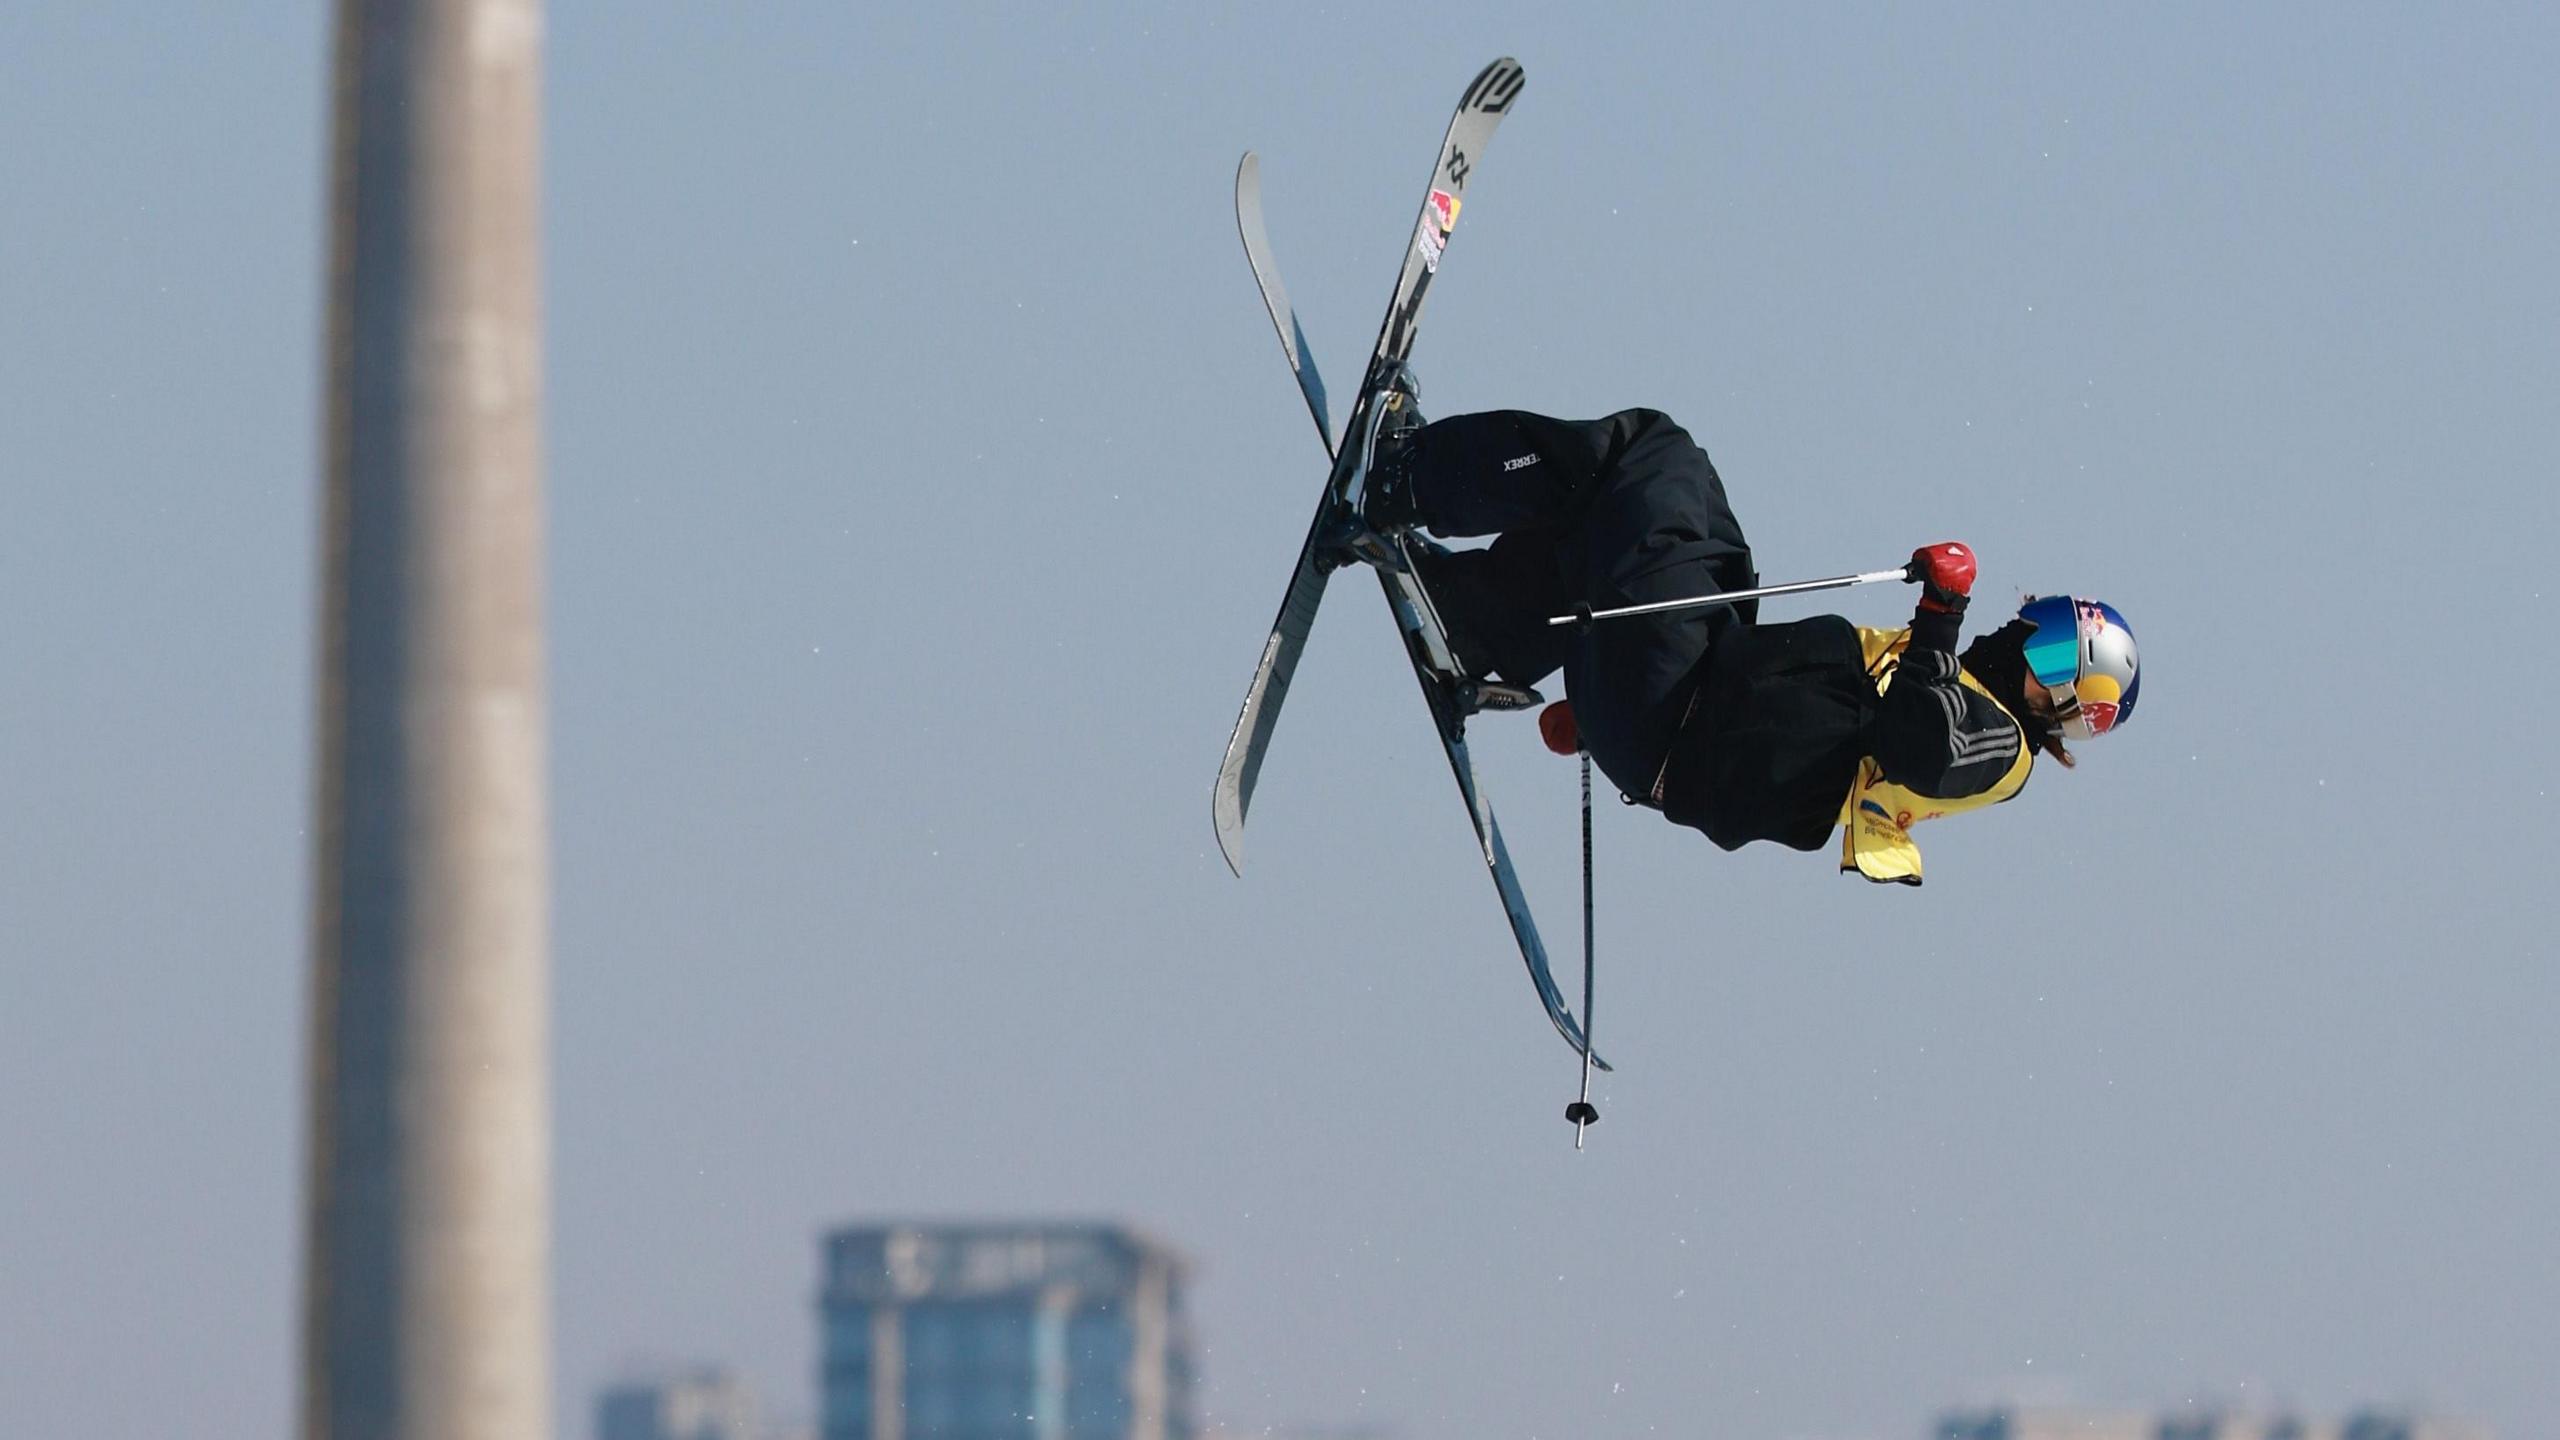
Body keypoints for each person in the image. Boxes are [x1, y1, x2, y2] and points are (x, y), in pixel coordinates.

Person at [1355, 376, 2141, 885]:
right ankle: (1474, 628)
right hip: (1692, 686)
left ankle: (1405, 477)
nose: (2024, 636)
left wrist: (1941, 613)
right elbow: (1794, 714)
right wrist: (1599, 722)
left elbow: (1916, 741)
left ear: (2072, 708)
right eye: (2038, 619)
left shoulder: (1999, 748)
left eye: (2053, 650)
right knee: (1670, 495)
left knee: (1643, 459)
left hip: (1681, 717)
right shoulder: (1962, 689)